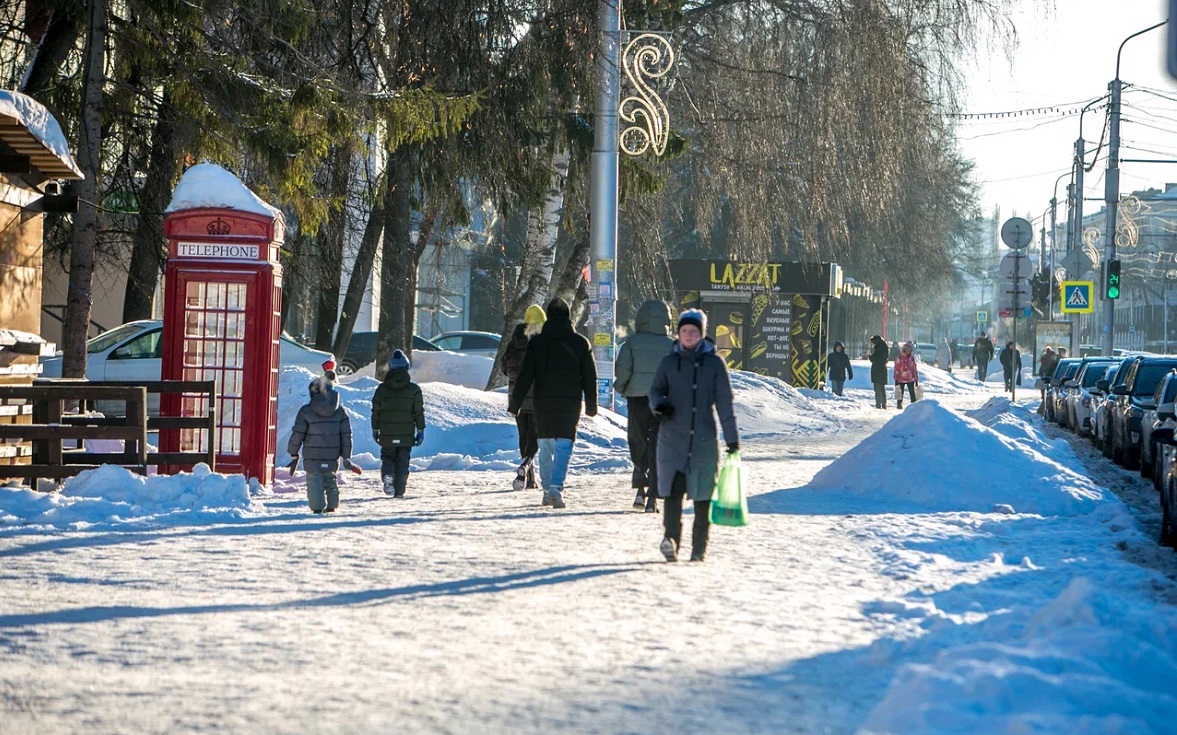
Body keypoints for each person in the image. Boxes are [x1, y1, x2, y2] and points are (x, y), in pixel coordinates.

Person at [649, 309, 738, 562]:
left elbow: (724, 403)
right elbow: (655, 391)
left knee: (702, 497)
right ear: (678, 333)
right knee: (672, 495)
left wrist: (732, 440)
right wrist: (659, 405)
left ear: (701, 334)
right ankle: (671, 541)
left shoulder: (714, 364)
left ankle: (699, 548)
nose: (689, 335)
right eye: (685, 331)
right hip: (672, 440)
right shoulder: (668, 362)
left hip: (703, 441)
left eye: (694, 331)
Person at [509, 297, 598, 509]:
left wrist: (515, 404)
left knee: (546, 444)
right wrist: (592, 405)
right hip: (570, 403)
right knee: (564, 445)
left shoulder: (537, 343)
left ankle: (547, 489)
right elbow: (589, 376)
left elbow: (526, 375)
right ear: (568, 316)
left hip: (543, 402)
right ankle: (557, 486)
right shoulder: (580, 343)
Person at [614, 299, 674, 513]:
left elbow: (623, 370)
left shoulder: (632, 343)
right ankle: (653, 499)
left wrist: (621, 387)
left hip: (637, 399)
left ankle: (640, 486)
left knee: (638, 441)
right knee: (658, 447)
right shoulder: (672, 345)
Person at [287, 376, 355, 514]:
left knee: (314, 479)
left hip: (313, 454)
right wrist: (346, 456)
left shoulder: (306, 411)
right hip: (332, 454)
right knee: (330, 477)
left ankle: (317, 508)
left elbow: (298, 433)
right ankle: (332, 505)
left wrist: (293, 451)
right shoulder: (340, 411)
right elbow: (346, 435)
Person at [502, 304, 546, 491]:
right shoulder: (542, 343)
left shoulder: (513, 343)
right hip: (537, 396)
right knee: (534, 436)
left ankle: (529, 478)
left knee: (523, 435)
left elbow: (504, 367)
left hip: (517, 397)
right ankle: (526, 466)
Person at [371, 349, 425, 498]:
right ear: (407, 368)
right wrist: (420, 430)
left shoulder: (381, 390)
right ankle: (400, 491)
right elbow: (418, 412)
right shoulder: (414, 390)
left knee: (388, 458)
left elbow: (376, 411)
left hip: (387, 432)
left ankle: (388, 477)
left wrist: (375, 428)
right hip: (406, 434)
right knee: (403, 461)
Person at [893, 341, 920, 408]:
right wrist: (896, 378)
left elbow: (914, 369)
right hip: (901, 378)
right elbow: (896, 368)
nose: (908, 351)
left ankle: (914, 405)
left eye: (909, 350)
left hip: (910, 378)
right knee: (900, 392)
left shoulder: (911, 358)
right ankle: (899, 404)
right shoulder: (900, 358)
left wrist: (916, 378)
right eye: (907, 350)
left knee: (912, 393)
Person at [869, 335, 890, 409]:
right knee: (882, 389)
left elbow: (879, 359)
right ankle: (883, 404)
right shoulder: (884, 347)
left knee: (878, 389)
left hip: (878, 371)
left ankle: (879, 405)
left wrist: (871, 358)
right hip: (882, 371)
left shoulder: (879, 349)